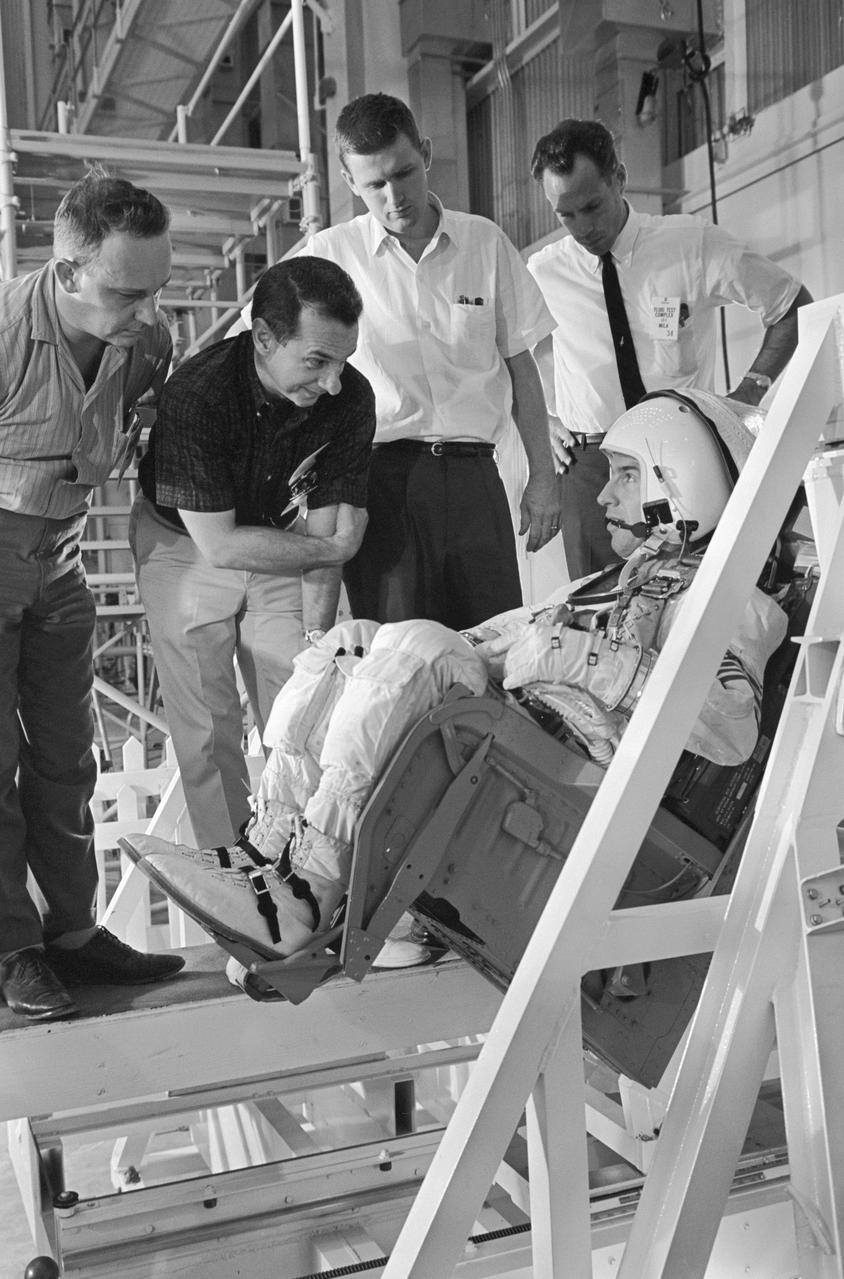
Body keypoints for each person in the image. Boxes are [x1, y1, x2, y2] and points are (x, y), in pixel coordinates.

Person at [123, 390, 787, 968]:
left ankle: (309, 890)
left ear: (679, 477)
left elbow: (730, 730)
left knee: (416, 640)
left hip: (583, 779)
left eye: (624, 474)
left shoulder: (738, 602)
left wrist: (567, 655)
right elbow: (517, 630)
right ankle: (266, 856)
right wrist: (424, 653)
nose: (606, 492)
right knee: (349, 643)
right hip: (531, 745)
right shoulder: (608, 580)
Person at [0, 166, 186, 1022]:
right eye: (126, 292)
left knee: (71, 756)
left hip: (65, 559)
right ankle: (13, 949)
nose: (147, 312)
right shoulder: (5, 328)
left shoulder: (148, 342)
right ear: (67, 270)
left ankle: (74, 936)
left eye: (156, 289)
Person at [283, 92, 561, 630]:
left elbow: (521, 369)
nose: (394, 197)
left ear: (426, 153)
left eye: (404, 173)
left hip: (478, 477)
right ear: (348, 182)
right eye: (374, 185)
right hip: (381, 484)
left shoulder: (485, 243)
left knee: (497, 647)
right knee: (402, 659)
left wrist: (543, 478)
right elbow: (260, 339)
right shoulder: (328, 256)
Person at [131, 257, 374, 850]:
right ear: (264, 338)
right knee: (208, 731)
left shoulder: (349, 397)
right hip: (183, 545)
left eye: (344, 359)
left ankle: (309, 868)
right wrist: (331, 546)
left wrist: (317, 646)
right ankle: (240, 880)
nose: (334, 381)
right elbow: (220, 546)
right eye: (317, 361)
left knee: (302, 709)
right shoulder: (198, 392)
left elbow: (327, 539)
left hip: (283, 539)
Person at [527, 117, 813, 577]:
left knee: (691, 601)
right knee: (596, 616)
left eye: (593, 206)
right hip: (591, 468)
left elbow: (792, 305)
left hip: (683, 458)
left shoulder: (690, 244)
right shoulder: (542, 272)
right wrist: (544, 419)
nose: (583, 227)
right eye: (565, 215)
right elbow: (507, 357)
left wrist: (747, 396)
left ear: (619, 177)